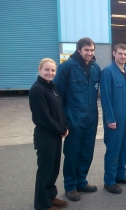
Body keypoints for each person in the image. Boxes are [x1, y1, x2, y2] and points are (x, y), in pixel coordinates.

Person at [54, 37, 101, 201]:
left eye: (92, 50)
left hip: (91, 118)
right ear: (79, 50)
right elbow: (58, 96)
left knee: (87, 152)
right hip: (73, 118)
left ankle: (82, 181)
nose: (89, 53)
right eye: (86, 50)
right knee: (73, 153)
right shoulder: (67, 67)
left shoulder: (96, 67)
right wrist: (62, 120)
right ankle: (70, 186)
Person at [29, 58, 69, 210]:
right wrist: (61, 129)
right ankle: (42, 204)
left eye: (52, 70)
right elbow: (43, 117)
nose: (50, 73)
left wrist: (64, 125)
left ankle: (50, 196)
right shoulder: (37, 90)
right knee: (45, 170)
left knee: (53, 169)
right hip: (45, 136)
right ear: (39, 70)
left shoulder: (51, 87)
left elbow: (59, 110)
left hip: (55, 135)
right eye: (46, 70)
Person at [100, 44, 126, 194]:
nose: (123, 56)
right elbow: (105, 98)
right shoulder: (108, 72)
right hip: (115, 119)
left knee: (125, 147)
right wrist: (110, 119)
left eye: (125, 54)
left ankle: (120, 175)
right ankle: (109, 181)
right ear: (113, 53)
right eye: (120, 53)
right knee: (113, 149)